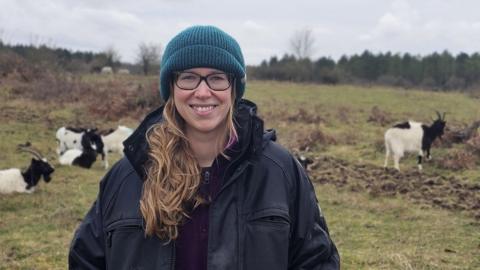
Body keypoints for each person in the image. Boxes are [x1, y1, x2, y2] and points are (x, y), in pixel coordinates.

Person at [68, 25, 340, 270]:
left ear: (234, 88)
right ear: (171, 87)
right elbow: (86, 261)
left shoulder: (279, 172)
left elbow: (317, 261)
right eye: (188, 77)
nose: (202, 92)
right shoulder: (127, 176)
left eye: (217, 78)